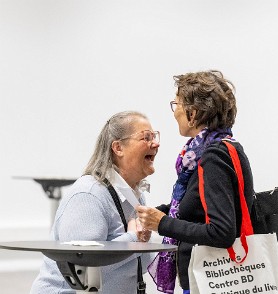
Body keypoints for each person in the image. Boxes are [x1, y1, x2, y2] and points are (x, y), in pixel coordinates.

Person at [136, 70, 254, 294]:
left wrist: (162, 223)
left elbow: (222, 232)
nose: (174, 113)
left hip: (211, 280)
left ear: (193, 114)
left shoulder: (213, 156)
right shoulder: (221, 148)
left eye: (176, 104)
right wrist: (157, 214)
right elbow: (198, 208)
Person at [31, 111, 160, 293]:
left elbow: (138, 259)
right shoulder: (88, 194)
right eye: (146, 137)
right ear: (118, 148)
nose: (156, 143)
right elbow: (81, 268)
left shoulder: (135, 195)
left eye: (155, 137)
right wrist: (133, 239)